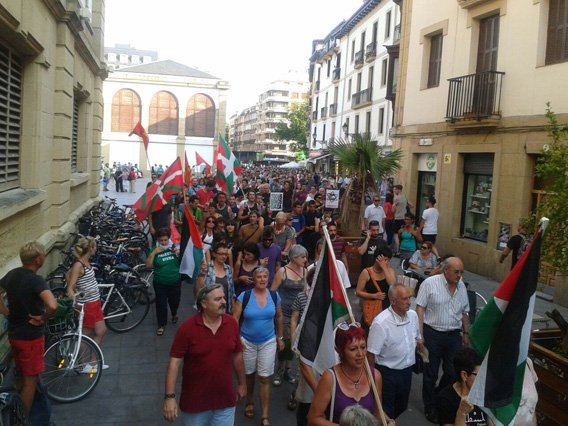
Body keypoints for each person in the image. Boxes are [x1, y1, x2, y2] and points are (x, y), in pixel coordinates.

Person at [163, 284, 246, 425]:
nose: (224, 302)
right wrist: (169, 397)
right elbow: (174, 363)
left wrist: (242, 384)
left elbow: (237, 356)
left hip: (225, 401)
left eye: (223, 298)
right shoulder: (187, 329)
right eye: (217, 299)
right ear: (204, 304)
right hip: (195, 404)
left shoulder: (232, 324)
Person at [0, 242, 58, 414]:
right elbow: (53, 305)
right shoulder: (35, 280)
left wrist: (5, 312)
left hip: (14, 335)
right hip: (30, 338)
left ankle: (14, 406)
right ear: (38, 260)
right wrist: (43, 318)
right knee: (30, 381)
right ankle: (22, 419)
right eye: (43, 255)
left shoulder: (12, 274)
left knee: (21, 374)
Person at [415, 257, 470, 424]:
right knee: (431, 373)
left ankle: (439, 396)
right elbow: (420, 308)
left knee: (453, 372)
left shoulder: (461, 286)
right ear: (446, 270)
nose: (459, 275)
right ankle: (430, 406)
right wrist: (420, 335)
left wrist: (466, 333)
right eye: (456, 272)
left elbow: (465, 312)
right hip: (433, 334)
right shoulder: (430, 283)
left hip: (453, 336)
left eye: (461, 272)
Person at [307, 324, 392, 425]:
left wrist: (388, 421)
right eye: (353, 349)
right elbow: (313, 418)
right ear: (340, 351)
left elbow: (377, 413)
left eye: (363, 347)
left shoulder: (375, 376)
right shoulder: (330, 378)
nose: (360, 354)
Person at [232, 267, 284, 426]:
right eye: (259, 277)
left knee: (264, 377)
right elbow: (234, 318)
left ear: (268, 279)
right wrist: (236, 340)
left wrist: (280, 337)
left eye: (265, 277)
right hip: (247, 342)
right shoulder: (244, 296)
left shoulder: (274, 296)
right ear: (253, 280)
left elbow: (279, 316)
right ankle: (249, 401)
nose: (262, 279)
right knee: (249, 374)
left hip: (268, 341)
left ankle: (265, 416)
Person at [367, 284, 421, 420]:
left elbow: (416, 336)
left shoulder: (413, 316)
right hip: (387, 374)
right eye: (404, 299)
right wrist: (372, 380)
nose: (409, 302)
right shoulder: (381, 323)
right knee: (386, 411)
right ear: (393, 301)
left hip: (407, 372)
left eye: (409, 298)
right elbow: (371, 354)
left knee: (401, 407)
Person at [271, 244, 308, 387]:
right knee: (284, 343)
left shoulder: (305, 271)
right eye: (302, 257)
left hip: (298, 312)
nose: (305, 260)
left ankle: (287, 370)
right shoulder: (283, 271)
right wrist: (276, 311)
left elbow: (305, 291)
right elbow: (273, 292)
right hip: (284, 312)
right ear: (294, 257)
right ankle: (279, 370)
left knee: (294, 342)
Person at [66, 237, 108, 354]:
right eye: (95, 247)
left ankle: (94, 362)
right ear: (90, 248)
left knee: (101, 331)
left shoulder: (85, 262)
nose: (96, 249)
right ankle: (80, 361)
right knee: (85, 335)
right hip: (87, 305)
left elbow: (67, 274)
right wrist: (74, 297)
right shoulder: (78, 265)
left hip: (95, 303)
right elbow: (70, 287)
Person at [436, 348, 488, 426]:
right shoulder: (446, 398)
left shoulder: (484, 395)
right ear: (464, 375)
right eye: (479, 375)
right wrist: (462, 413)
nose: (483, 379)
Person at [146, 228, 181, 336]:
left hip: (175, 280)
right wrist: (154, 253)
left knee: (174, 301)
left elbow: (184, 262)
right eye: (161, 240)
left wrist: (178, 254)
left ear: (169, 239)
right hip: (160, 282)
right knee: (161, 304)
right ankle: (161, 324)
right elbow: (148, 265)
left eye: (165, 240)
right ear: (158, 240)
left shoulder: (175, 248)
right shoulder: (154, 249)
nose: (164, 243)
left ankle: (174, 313)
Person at [356, 246, 396, 331]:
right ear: (377, 259)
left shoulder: (389, 270)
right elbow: (358, 292)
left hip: (386, 310)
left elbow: (393, 286)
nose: (387, 263)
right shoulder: (366, 272)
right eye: (385, 260)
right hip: (371, 310)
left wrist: (385, 268)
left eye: (388, 260)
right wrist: (374, 295)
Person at [203, 242, 235, 314]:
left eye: (226, 254)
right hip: (210, 309)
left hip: (226, 309)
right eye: (221, 254)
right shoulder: (207, 268)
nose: (224, 256)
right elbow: (201, 290)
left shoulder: (228, 269)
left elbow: (232, 291)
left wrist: (233, 306)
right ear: (214, 254)